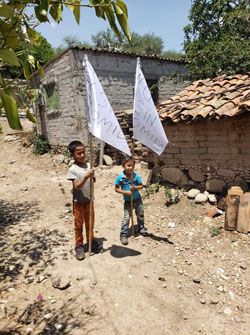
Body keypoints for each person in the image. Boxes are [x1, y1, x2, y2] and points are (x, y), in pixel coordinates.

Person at [67, 140, 102, 260]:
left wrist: (92, 176)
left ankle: (91, 240)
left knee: (90, 222)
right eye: (78, 153)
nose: (82, 155)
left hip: (89, 200)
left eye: (83, 152)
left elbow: (94, 180)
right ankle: (79, 245)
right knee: (78, 224)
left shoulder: (89, 165)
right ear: (73, 155)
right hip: (78, 203)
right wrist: (86, 176)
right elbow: (77, 186)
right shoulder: (73, 169)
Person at [115, 158, 148, 245]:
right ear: (123, 166)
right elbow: (116, 189)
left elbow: (141, 186)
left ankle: (141, 228)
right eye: (128, 165)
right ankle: (123, 234)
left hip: (137, 199)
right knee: (127, 217)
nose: (130, 168)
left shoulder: (136, 176)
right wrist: (125, 192)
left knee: (140, 214)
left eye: (132, 166)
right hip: (127, 201)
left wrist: (135, 187)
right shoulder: (120, 177)